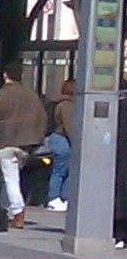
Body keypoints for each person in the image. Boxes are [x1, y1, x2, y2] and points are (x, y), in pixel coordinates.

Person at [0, 62, 47, 228]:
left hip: (6, 141)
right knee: (12, 177)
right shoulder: (32, 95)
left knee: (10, 178)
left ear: (5, 75)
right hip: (28, 143)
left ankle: (17, 212)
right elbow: (42, 118)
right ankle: (4, 209)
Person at [44, 77, 76, 212]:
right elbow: (69, 126)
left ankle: (58, 198)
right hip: (63, 139)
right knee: (62, 170)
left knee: (62, 170)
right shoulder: (68, 104)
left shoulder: (58, 102)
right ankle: (55, 198)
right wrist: (76, 141)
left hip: (57, 138)